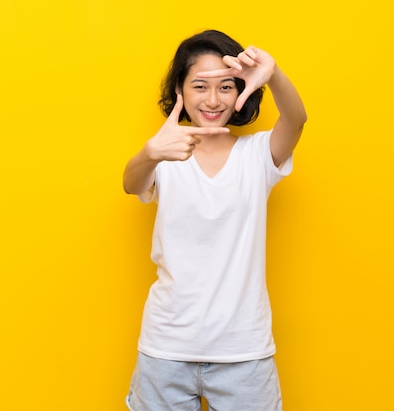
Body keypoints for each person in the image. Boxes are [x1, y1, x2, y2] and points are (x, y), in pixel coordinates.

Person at [123, 29, 306, 411]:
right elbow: (131, 183)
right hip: (166, 347)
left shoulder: (258, 154)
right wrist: (150, 152)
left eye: (226, 87)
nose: (212, 99)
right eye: (200, 86)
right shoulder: (166, 153)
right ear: (180, 91)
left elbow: (297, 119)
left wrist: (273, 74)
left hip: (244, 351)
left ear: (241, 90)